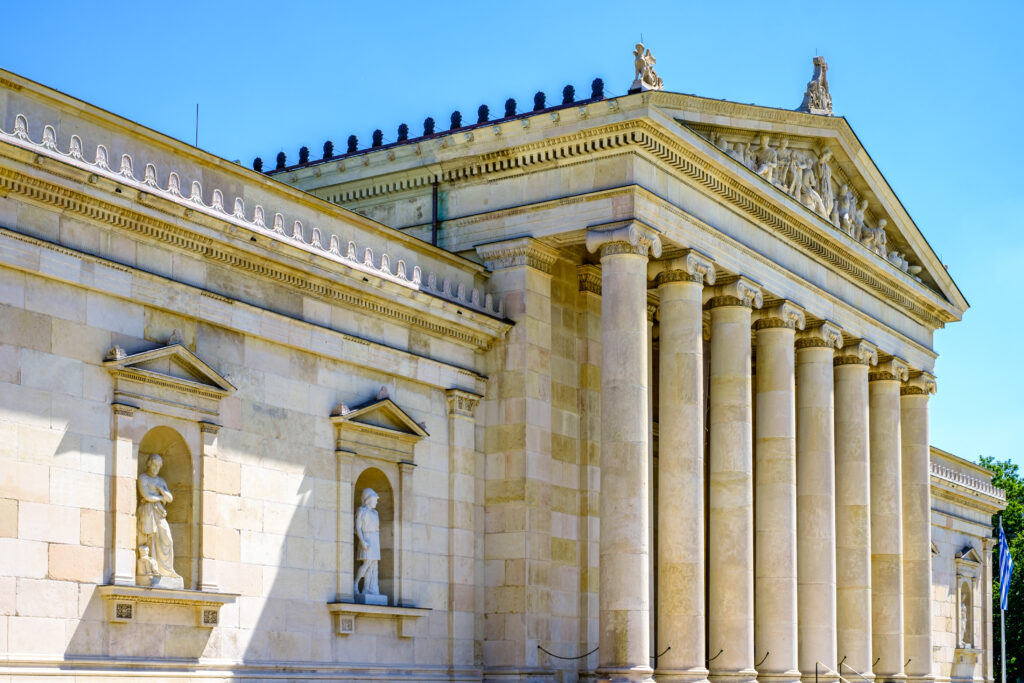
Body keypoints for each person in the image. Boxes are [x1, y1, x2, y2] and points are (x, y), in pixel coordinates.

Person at [137, 454, 182, 584]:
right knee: (151, 537)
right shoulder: (143, 478)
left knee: (167, 539)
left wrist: (161, 493)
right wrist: (160, 498)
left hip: (159, 513)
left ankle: (167, 570)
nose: (156, 468)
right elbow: (146, 495)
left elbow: (170, 498)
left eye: (158, 465)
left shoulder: (161, 481)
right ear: (148, 464)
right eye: (154, 464)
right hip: (148, 511)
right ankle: (151, 570)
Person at [354, 487, 382, 596]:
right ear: (369, 499)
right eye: (375, 499)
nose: (376, 501)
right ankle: (355, 583)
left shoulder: (375, 513)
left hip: (375, 538)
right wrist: (362, 541)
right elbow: (357, 527)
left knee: (374, 564)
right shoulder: (362, 511)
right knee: (367, 562)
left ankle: (370, 589)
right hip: (366, 538)